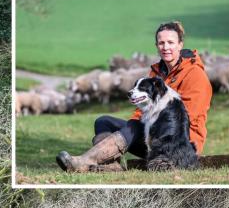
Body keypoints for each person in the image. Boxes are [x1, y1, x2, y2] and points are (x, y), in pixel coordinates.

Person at [56, 21, 213, 172]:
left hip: (177, 145)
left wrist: (140, 127)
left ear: (180, 44)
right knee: (104, 121)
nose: (165, 47)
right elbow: (142, 110)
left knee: (136, 127)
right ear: (156, 46)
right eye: (161, 43)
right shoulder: (157, 72)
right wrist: (131, 128)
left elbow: (185, 119)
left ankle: (84, 162)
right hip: (152, 138)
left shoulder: (195, 75)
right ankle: (111, 166)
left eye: (170, 43)